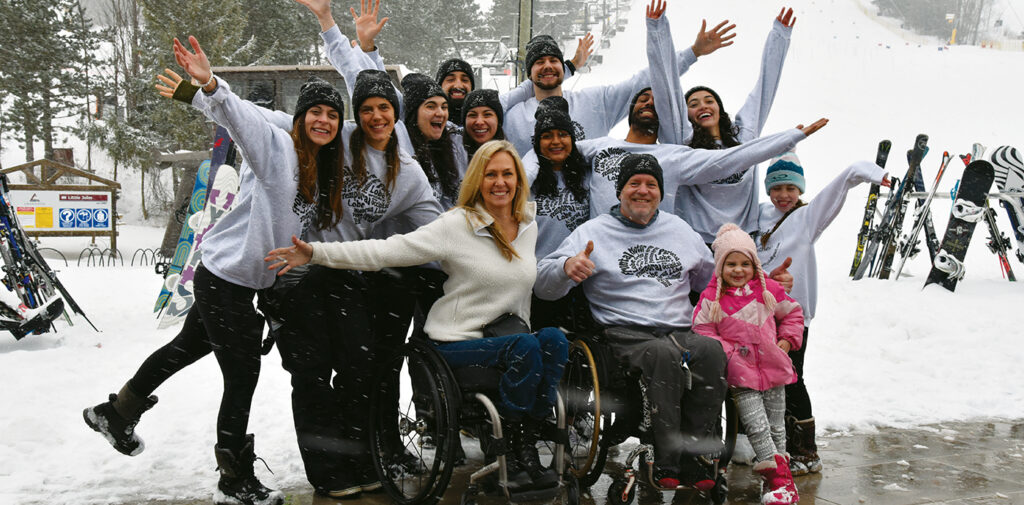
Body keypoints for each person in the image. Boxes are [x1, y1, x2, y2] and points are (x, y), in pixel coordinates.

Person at [82, 36, 351, 505]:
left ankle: (117, 412)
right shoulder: (276, 151)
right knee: (242, 374)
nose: (323, 120)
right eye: (315, 112)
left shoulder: (321, 166)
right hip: (226, 280)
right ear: (300, 118)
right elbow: (244, 119)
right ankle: (233, 478)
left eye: (332, 114)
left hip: (239, 280)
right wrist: (209, 86)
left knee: (185, 348)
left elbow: (275, 117)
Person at [267, 140, 569, 493]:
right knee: (525, 347)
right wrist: (316, 253)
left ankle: (526, 437)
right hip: (455, 344)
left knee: (554, 340)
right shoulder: (457, 225)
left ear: (518, 179)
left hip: (507, 340)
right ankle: (510, 448)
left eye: (507, 174)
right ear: (477, 179)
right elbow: (386, 251)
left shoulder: (527, 226)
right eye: (491, 174)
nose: (500, 182)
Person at [536, 154, 728, 490]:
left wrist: (762, 284)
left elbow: (713, 282)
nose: (643, 190)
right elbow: (543, 284)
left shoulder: (680, 230)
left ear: (660, 192)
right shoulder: (593, 232)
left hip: (679, 329)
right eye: (634, 183)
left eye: (651, 184)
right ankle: (666, 460)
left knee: (712, 351)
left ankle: (696, 455)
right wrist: (566, 267)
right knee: (663, 355)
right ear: (619, 191)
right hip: (623, 332)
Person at [755, 152, 889, 475]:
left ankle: (805, 451)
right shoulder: (757, 216)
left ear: (800, 189)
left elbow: (836, 191)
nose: (783, 195)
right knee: (761, 381)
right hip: (759, 312)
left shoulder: (807, 217)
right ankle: (775, 447)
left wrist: (862, 171)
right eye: (777, 188)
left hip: (792, 316)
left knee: (791, 377)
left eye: (790, 188)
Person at [502, 0, 734, 156]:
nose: (547, 66)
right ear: (529, 73)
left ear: (562, 66)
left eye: (554, 60)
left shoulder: (594, 102)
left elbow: (644, 80)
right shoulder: (513, 116)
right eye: (539, 62)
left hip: (591, 206)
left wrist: (693, 53)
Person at [647, 3, 797, 244]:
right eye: (693, 104)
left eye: (709, 101)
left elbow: (764, 91)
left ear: (719, 108)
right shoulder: (683, 142)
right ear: (685, 115)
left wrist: (780, 36)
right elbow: (667, 89)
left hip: (742, 243)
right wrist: (657, 30)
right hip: (696, 243)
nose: (703, 106)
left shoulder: (743, 139)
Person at [692, 223, 805, 505]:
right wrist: (729, 353)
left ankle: (776, 481)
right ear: (720, 266)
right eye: (730, 264)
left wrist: (786, 341)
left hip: (773, 368)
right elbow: (703, 330)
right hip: (740, 374)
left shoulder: (768, 291)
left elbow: (793, 313)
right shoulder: (712, 299)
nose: (738, 270)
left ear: (755, 265)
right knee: (757, 426)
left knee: (777, 426)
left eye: (745, 264)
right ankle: (782, 484)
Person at [528, 96, 591, 330]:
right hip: (539, 281)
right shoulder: (527, 181)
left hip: (583, 280)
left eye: (563, 134)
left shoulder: (588, 176)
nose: (556, 141)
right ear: (537, 142)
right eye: (547, 136)